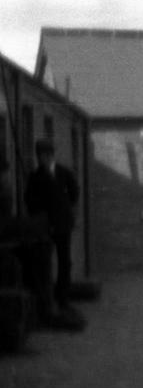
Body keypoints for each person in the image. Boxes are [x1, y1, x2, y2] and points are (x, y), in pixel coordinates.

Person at [25, 139, 84, 330]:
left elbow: (75, 192)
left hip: (62, 225)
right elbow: (29, 200)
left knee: (65, 261)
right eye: (39, 154)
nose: (41, 158)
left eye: (44, 154)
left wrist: (67, 210)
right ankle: (48, 301)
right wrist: (40, 217)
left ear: (51, 155)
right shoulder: (35, 177)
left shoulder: (63, 172)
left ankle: (63, 299)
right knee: (45, 263)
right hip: (44, 227)